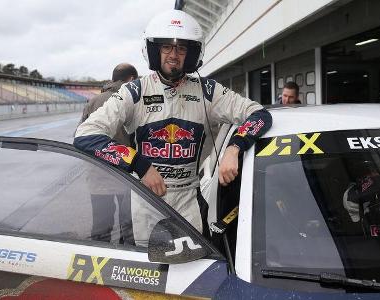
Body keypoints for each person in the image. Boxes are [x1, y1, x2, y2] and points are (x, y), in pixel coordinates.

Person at [74, 10, 272, 238]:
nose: (173, 54)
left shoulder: (208, 91)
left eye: (181, 48)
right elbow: (85, 135)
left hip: (189, 202)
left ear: (190, 54)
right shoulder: (134, 91)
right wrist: (139, 164)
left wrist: (235, 147)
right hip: (145, 201)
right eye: (166, 47)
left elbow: (259, 114)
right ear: (154, 50)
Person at [80, 63, 137, 241]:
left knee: (100, 225)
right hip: (125, 172)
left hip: (97, 172)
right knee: (128, 225)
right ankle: (125, 260)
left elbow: (81, 135)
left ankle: (99, 258)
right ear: (132, 79)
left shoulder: (93, 101)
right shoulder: (132, 99)